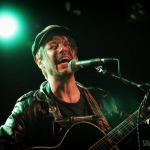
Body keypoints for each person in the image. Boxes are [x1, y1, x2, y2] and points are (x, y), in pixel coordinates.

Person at [0, 25, 147, 150]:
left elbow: (138, 139)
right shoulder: (29, 107)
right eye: (53, 46)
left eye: (68, 44)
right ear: (40, 61)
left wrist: (146, 124)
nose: (63, 49)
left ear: (76, 57)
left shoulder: (102, 99)